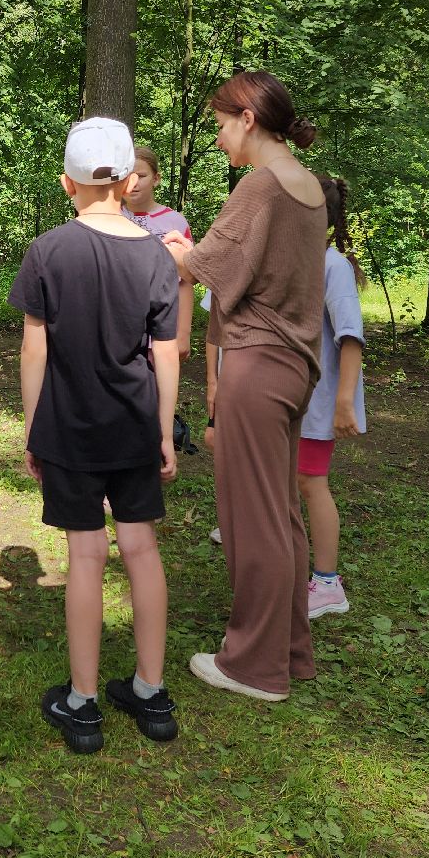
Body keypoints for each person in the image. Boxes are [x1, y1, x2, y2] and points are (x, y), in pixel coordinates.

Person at [10, 117, 182, 754]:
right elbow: (167, 354)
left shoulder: (48, 250)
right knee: (141, 551)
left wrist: (34, 429)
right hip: (136, 424)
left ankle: (83, 704)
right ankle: (151, 692)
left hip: (73, 430)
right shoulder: (155, 253)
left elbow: (35, 353)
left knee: (86, 557)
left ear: (68, 183)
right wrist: (164, 430)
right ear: (131, 180)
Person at [163, 70, 326, 703]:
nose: (220, 138)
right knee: (282, 516)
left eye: (222, 125)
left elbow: (209, 268)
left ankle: (253, 667)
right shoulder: (308, 185)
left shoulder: (260, 188)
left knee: (252, 521)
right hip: (294, 368)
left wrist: (179, 248)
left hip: (256, 367)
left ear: (248, 120)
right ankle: (289, 652)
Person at [301, 176, 367, 619]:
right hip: (294, 399)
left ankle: (327, 584)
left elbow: (350, 337)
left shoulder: (332, 266)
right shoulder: (295, 261)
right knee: (290, 481)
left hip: (321, 400)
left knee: (311, 483)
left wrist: (344, 401)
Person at [123, 145, 195, 358]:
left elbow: (186, 280)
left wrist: (183, 333)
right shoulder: (110, 217)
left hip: (161, 330)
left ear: (156, 178)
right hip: (118, 327)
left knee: (158, 389)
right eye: (127, 176)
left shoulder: (175, 222)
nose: (133, 183)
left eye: (141, 175)